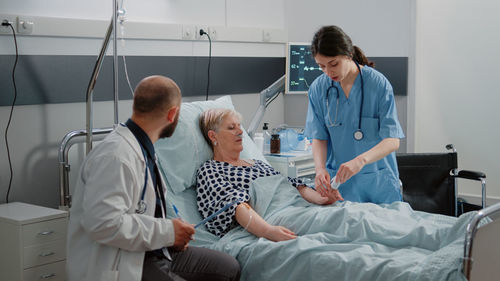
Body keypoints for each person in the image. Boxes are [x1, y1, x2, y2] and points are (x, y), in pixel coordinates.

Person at [67, 76, 241, 281]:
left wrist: (171, 235)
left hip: (155, 249)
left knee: (229, 268)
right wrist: (168, 232)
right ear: (173, 114)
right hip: (123, 263)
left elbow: (143, 211)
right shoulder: (116, 156)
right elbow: (103, 224)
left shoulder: (145, 149)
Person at [196, 108, 343, 241]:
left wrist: (322, 199)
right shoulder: (211, 169)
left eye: (239, 126)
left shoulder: (257, 163)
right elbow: (235, 205)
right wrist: (268, 231)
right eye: (231, 128)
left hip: (302, 206)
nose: (240, 131)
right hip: (277, 215)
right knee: (347, 222)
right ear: (213, 136)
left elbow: (293, 184)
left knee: (348, 214)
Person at [304, 25, 405, 204]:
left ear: (348, 54)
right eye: (321, 66)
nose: (328, 72)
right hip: (341, 185)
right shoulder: (318, 89)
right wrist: (319, 169)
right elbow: (318, 137)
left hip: (379, 182)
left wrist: (360, 160)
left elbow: (392, 140)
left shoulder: (378, 85)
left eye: (333, 64)